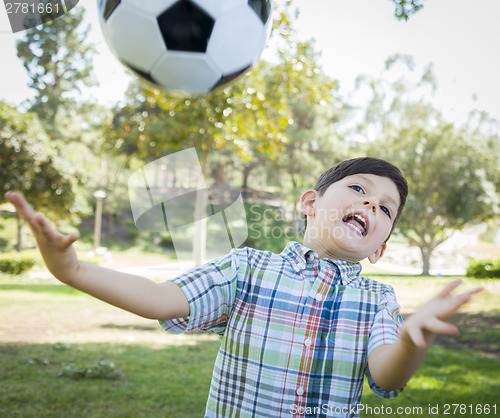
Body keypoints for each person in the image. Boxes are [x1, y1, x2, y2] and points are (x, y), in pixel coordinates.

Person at [5, 157, 480, 418]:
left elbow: (387, 375)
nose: (371, 204)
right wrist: (72, 270)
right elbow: (158, 299)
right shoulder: (247, 270)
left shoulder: (378, 300)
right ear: (310, 203)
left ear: (378, 250)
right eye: (358, 189)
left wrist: (412, 341)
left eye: (386, 208)